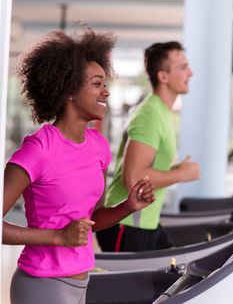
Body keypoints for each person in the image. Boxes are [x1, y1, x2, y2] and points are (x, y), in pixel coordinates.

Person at [3, 28, 155, 304]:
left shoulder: (98, 147)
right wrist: (58, 237)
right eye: (97, 84)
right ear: (69, 90)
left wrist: (127, 207)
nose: (106, 92)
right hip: (41, 284)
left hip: (81, 282)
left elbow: (91, 221)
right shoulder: (39, 149)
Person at [96, 41, 201, 252]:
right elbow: (134, 178)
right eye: (183, 67)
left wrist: (175, 171)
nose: (190, 73)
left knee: (178, 272)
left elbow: (146, 170)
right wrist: (181, 174)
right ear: (163, 76)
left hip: (146, 222)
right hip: (126, 224)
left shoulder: (161, 112)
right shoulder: (150, 114)